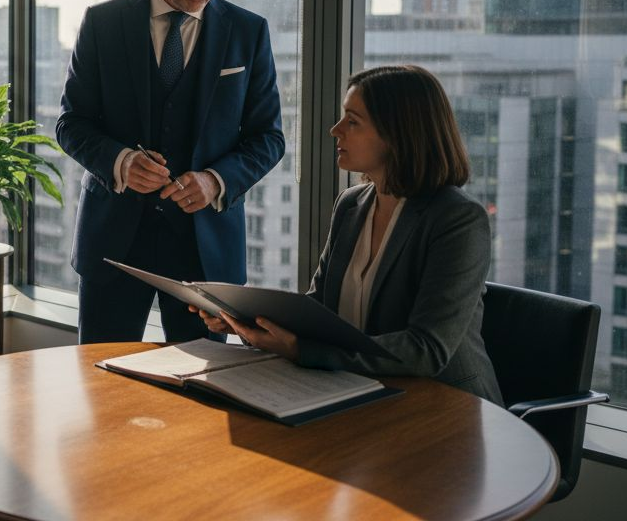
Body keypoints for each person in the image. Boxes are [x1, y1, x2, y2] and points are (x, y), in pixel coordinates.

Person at [195, 64, 502, 403]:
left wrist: (302, 350)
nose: (335, 130)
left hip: (447, 406)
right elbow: (320, 309)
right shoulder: (352, 204)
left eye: (352, 121)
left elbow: (426, 350)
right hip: (362, 391)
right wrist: (247, 320)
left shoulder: (457, 219)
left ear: (399, 133)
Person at [57, 0, 284, 343]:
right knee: (103, 387)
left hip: (205, 254)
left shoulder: (248, 32)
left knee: (205, 395)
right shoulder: (102, 24)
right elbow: (71, 124)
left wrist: (215, 181)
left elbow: (269, 138)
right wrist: (121, 161)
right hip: (114, 246)